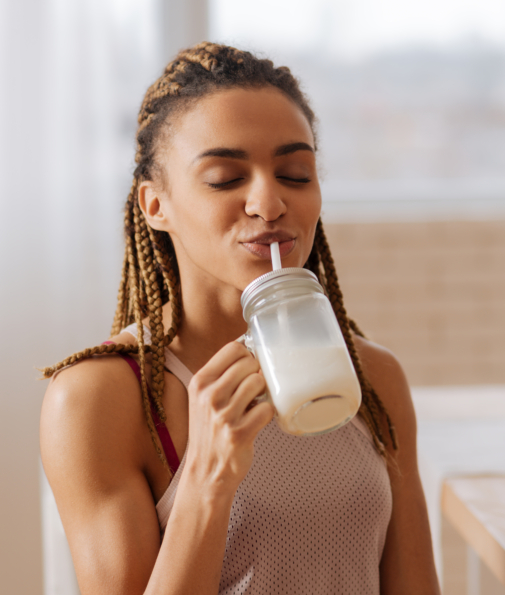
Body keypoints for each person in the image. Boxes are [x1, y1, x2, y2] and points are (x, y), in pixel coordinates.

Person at [40, 42, 440, 595]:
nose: (269, 202)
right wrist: (208, 479)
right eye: (227, 178)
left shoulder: (373, 378)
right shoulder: (98, 399)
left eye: (296, 174)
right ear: (155, 205)